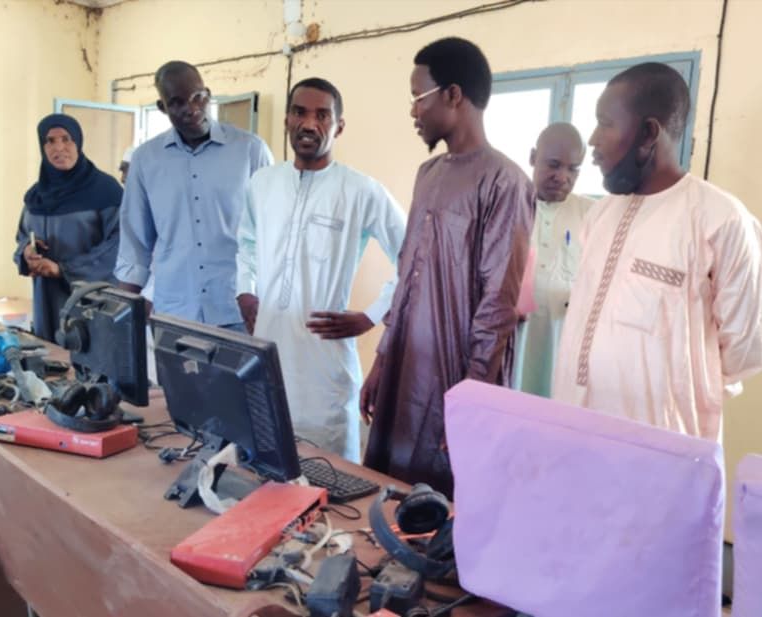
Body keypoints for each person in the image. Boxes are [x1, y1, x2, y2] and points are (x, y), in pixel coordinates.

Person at [552, 62, 762, 440]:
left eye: (605, 122)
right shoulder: (600, 215)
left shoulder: (720, 221)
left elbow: (745, 350)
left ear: (648, 133)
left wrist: (672, 384)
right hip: (574, 428)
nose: (592, 139)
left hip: (660, 450)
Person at [361, 38, 535, 495]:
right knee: (387, 491)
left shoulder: (505, 182)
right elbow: (406, 275)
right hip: (405, 360)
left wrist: (470, 401)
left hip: (456, 375)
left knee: (445, 503)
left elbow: (498, 302)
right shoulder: (428, 174)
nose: (413, 112)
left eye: (418, 98)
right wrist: (382, 359)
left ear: (453, 95)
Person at [235, 78, 407, 462]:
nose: (309, 124)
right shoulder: (262, 184)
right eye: (300, 112)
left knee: (330, 481)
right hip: (266, 351)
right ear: (286, 120)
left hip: (323, 368)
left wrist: (372, 315)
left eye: (322, 115)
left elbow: (414, 255)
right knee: (264, 469)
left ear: (338, 126)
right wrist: (244, 291)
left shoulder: (361, 191)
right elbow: (245, 243)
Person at [115, 61, 273, 329]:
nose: (192, 109)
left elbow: (270, 233)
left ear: (208, 95)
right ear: (162, 107)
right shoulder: (146, 160)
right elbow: (135, 245)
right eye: (177, 102)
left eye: (198, 97)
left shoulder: (250, 151)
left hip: (237, 311)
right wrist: (122, 314)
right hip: (174, 313)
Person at [14, 113, 122, 341]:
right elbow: (22, 236)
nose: (59, 148)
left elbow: (118, 247)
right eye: (50, 141)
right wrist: (26, 253)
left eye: (66, 139)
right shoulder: (36, 195)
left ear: (78, 142)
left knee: (88, 365)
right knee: (51, 366)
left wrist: (62, 269)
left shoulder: (106, 191)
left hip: (91, 303)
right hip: (46, 302)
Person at [513, 123, 594, 398]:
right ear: (533, 157)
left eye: (573, 169)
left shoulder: (593, 215)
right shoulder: (506, 206)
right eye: (554, 165)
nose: (562, 177)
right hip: (514, 340)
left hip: (565, 343)